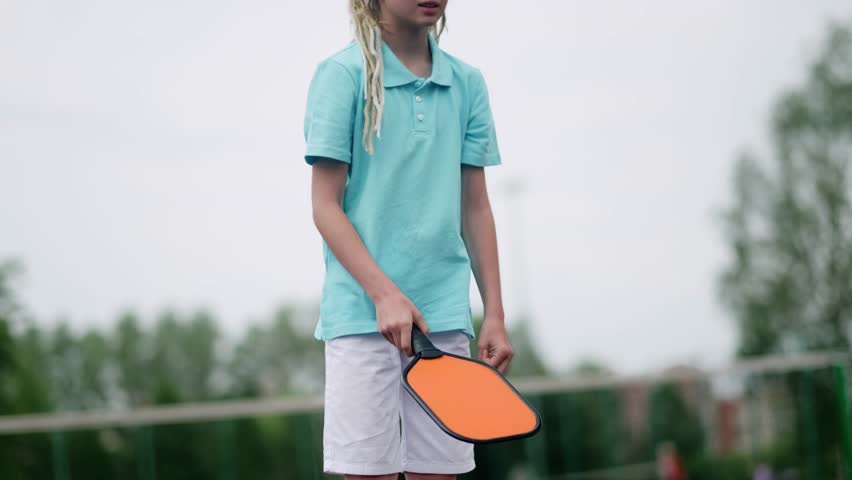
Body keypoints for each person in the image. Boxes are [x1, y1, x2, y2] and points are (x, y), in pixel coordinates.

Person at [303, 1, 512, 478]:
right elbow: (325, 206)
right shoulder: (341, 76)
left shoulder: (468, 84)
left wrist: (494, 315)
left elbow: (474, 207)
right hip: (360, 318)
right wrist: (384, 294)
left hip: (444, 318)